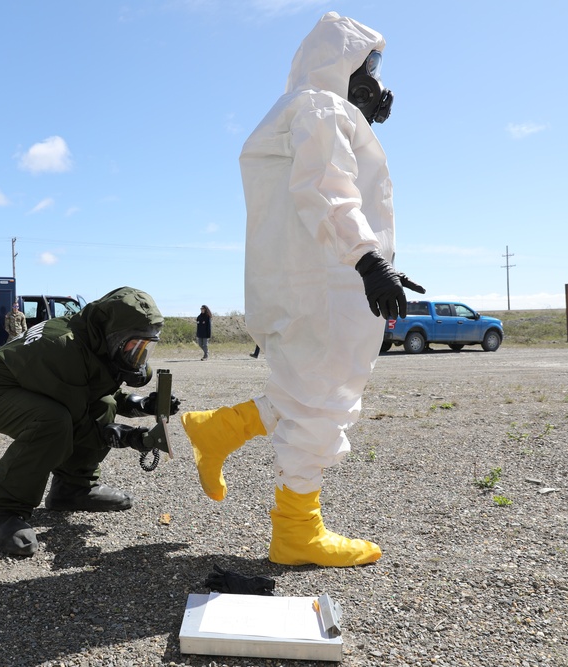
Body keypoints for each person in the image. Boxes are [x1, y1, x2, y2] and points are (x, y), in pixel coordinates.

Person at [181, 12, 424, 569]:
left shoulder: (310, 111)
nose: (377, 79)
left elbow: (321, 187)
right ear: (338, 64)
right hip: (327, 283)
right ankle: (296, 531)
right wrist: (366, 260)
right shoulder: (320, 108)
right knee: (326, 400)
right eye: (368, 65)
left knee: (308, 392)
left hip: (312, 276)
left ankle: (218, 429)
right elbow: (326, 188)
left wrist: (373, 259)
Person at [0, 287, 179, 557]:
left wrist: (143, 405)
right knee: (52, 422)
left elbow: (99, 393)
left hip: (39, 383)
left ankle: (73, 488)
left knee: (105, 405)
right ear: (114, 334)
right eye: (135, 345)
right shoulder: (66, 346)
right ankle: (5, 512)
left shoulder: (95, 339)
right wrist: (129, 437)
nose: (139, 355)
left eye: (146, 347)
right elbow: (79, 422)